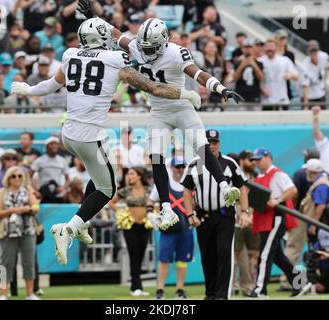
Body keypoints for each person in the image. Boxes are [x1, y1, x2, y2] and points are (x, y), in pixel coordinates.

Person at [10, 17, 201, 265]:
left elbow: (50, 86)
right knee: (108, 188)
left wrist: (27, 89)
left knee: (96, 177)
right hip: (91, 135)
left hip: (68, 134)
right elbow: (152, 87)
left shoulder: (69, 55)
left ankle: (83, 223)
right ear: (103, 38)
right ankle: (68, 228)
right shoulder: (116, 60)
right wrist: (185, 93)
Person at [104, 12, 244, 230]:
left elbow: (199, 74)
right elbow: (115, 34)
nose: (145, 51)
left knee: (201, 148)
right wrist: (93, 17)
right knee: (157, 158)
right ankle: (166, 207)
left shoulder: (176, 53)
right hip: (158, 111)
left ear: (163, 43)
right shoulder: (137, 46)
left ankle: (225, 187)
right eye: (144, 47)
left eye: (150, 48)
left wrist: (221, 88)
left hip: (181, 107)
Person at [181, 130, 251, 300]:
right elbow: (187, 190)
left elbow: (241, 187)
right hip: (203, 216)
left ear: (219, 144)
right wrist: (190, 214)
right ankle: (210, 293)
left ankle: (222, 294)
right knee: (207, 254)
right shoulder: (194, 164)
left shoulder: (229, 163)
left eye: (214, 142)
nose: (212, 146)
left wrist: (244, 211)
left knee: (224, 251)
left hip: (224, 215)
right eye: (209, 142)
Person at [249, 147, 311, 298]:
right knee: (277, 257)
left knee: (264, 254)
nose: (257, 163)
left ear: (268, 157)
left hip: (275, 218)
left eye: (259, 159)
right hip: (265, 218)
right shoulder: (260, 177)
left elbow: (292, 190)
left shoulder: (278, 174)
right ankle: (301, 283)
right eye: (255, 160)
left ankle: (260, 290)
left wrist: (278, 200)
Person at [278, 149, 322, 291]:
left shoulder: (299, 173)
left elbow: (294, 195)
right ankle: (318, 280)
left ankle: (287, 281)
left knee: (293, 249)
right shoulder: (325, 175)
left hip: (301, 216)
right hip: (320, 217)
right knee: (319, 250)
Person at [149, 157, 193, 299]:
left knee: (182, 260)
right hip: (168, 230)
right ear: (171, 167)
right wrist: (151, 215)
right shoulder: (163, 183)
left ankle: (180, 289)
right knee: (164, 259)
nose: (180, 170)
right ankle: (160, 289)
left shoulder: (190, 183)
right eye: (177, 167)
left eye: (182, 167)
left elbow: (197, 202)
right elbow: (150, 200)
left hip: (186, 228)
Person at [0, 166, 40, 300]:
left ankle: (30, 294)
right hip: (8, 231)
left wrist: (29, 208)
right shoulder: (2, 192)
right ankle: (2, 294)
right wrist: (14, 210)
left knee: (29, 262)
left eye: (20, 176)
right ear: (8, 178)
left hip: (27, 229)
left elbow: (36, 207)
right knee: (6, 263)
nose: (17, 179)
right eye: (14, 176)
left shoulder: (28, 191)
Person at [109, 167, 154, 296]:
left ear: (139, 176)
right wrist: (121, 212)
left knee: (140, 254)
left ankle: (136, 286)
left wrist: (153, 213)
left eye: (132, 174)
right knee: (134, 255)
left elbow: (156, 201)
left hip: (145, 226)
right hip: (130, 226)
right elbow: (111, 202)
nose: (129, 176)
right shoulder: (126, 190)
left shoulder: (149, 190)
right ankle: (136, 288)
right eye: (128, 174)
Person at [233, 150, 259, 296]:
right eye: (250, 160)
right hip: (237, 219)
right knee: (235, 254)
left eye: (254, 160)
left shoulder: (256, 177)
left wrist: (251, 216)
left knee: (254, 254)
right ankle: (233, 285)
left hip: (253, 219)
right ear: (242, 161)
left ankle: (251, 286)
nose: (253, 163)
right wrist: (241, 215)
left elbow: (259, 200)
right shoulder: (234, 175)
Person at [300, 159, 329, 236]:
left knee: (320, 246)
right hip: (322, 224)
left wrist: (314, 224)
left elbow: (321, 206)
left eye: (307, 170)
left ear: (310, 171)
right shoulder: (322, 181)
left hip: (322, 225)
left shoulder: (321, 185)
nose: (306, 172)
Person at [259, 39, 298, 110]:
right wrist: (261, 90)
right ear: (264, 48)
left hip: (281, 100)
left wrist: (290, 74)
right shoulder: (260, 61)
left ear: (276, 47)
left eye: (271, 46)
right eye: (267, 46)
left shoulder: (284, 60)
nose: (269, 49)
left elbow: (296, 76)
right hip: (266, 101)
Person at [30, 136, 70, 204]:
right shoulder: (39, 160)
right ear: (46, 147)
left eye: (56, 144)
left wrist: (63, 188)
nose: (54, 146)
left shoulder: (62, 161)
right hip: (43, 193)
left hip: (57, 192)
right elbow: (29, 176)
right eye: (51, 144)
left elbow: (68, 179)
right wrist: (35, 191)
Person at [233, 38, 264, 107]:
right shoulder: (238, 63)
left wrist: (254, 65)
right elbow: (235, 78)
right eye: (246, 47)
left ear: (253, 48)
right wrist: (241, 66)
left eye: (250, 47)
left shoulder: (259, 63)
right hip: (241, 97)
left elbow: (261, 78)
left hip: (255, 98)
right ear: (242, 49)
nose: (248, 49)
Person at [301, 41, 329, 110]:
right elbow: (305, 87)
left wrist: (324, 83)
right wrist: (306, 106)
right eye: (312, 52)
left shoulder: (324, 56)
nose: (314, 54)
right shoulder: (304, 66)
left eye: (315, 51)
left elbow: (326, 69)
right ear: (308, 53)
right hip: (310, 97)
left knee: (323, 117)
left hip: (321, 94)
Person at [274, 29, 295, 101]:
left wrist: (288, 74)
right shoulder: (271, 54)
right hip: (273, 86)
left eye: (284, 38)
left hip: (285, 86)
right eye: (280, 38)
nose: (282, 40)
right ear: (276, 39)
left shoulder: (290, 54)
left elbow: (292, 71)